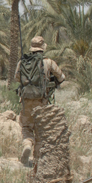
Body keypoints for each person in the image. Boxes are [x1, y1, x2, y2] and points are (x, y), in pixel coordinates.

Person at [14, 36, 65, 167]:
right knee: (40, 129)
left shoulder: (23, 62)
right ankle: (37, 159)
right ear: (42, 48)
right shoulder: (48, 62)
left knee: (26, 127)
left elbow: (16, 78)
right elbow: (62, 77)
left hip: (26, 100)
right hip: (41, 100)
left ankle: (27, 144)